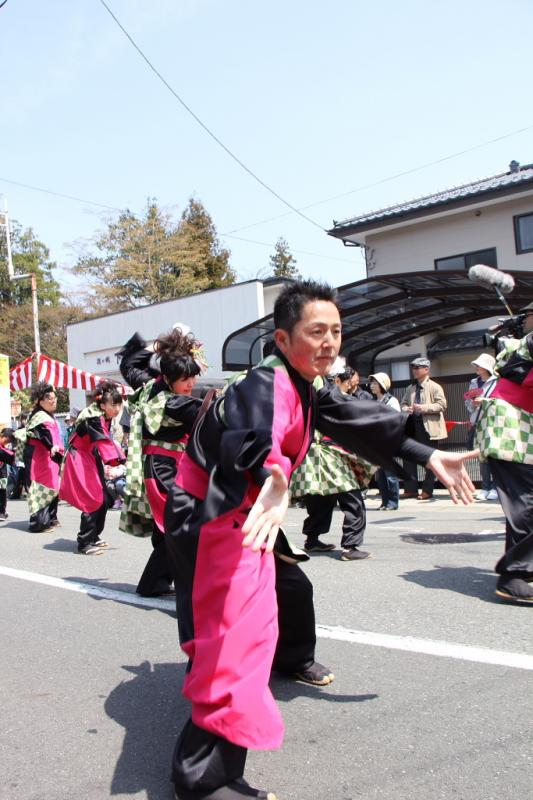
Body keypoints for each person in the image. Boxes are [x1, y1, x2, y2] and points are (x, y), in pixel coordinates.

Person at [163, 279, 477, 800]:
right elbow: (254, 433)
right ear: (283, 340)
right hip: (212, 514)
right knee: (232, 643)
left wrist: (429, 456)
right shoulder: (263, 384)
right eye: (316, 331)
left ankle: (276, 676)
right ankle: (201, 780)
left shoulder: (308, 383)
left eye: (336, 331)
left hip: (249, 512)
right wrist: (272, 474)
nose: (330, 342)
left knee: (274, 609)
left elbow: (362, 418)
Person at [118, 328, 204, 598]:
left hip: (159, 465)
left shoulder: (149, 386)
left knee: (167, 526)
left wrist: (161, 352)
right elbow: (207, 412)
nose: (190, 384)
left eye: (193, 377)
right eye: (184, 379)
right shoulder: (171, 401)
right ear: (168, 378)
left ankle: (159, 582)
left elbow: (128, 363)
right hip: (162, 467)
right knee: (182, 526)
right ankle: (157, 583)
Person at [476, 301, 533, 603]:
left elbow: (497, 341)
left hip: (518, 429)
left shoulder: (515, 343)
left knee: (525, 503)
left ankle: (522, 569)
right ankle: (514, 575)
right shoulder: (523, 344)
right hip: (511, 430)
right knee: (525, 504)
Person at [60, 381, 125, 554]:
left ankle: (94, 535)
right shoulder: (94, 417)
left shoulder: (104, 416)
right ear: (102, 405)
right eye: (114, 404)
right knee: (92, 498)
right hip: (79, 457)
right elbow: (104, 442)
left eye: (119, 404)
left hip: (90, 455)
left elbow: (106, 442)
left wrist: (119, 459)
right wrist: (119, 461)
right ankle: (84, 542)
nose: (117, 408)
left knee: (104, 498)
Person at [18, 383, 64, 532]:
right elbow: (42, 433)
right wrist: (51, 445)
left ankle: (51, 518)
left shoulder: (48, 415)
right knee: (40, 487)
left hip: (50, 456)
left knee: (53, 485)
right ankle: (38, 522)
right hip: (39, 456)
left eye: (54, 398)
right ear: (40, 401)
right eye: (50, 398)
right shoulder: (38, 416)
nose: (54, 401)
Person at [400, 357, 448, 500]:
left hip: (429, 428)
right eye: (413, 367)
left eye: (417, 367)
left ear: (426, 369)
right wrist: (406, 408)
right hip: (412, 426)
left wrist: (424, 408)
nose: (414, 370)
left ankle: (427, 490)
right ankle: (411, 489)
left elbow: (442, 405)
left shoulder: (435, 386)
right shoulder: (411, 388)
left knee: (430, 459)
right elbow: (403, 403)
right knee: (408, 458)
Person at [464, 353, 498, 501]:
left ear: (487, 367)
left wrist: (484, 401)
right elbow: (467, 402)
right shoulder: (473, 382)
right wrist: (472, 404)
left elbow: (499, 401)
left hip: (492, 422)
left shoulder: (497, 381)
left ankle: (496, 487)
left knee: (494, 455)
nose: (476, 367)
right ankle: (485, 487)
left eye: (479, 365)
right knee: (481, 456)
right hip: (477, 422)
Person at [369, 372, 401, 510]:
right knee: (380, 475)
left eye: (375, 383)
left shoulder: (392, 401)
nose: (372, 386)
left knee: (390, 474)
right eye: (372, 383)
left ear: (382, 385)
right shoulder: (375, 401)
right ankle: (384, 501)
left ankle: (393, 502)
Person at [0, 428, 15, 521]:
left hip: (2, 468)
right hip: (1, 470)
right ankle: (1, 512)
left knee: (2, 490)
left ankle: (2, 512)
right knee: (2, 491)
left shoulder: (3, 446)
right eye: (8, 440)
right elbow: (9, 455)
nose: (8, 442)